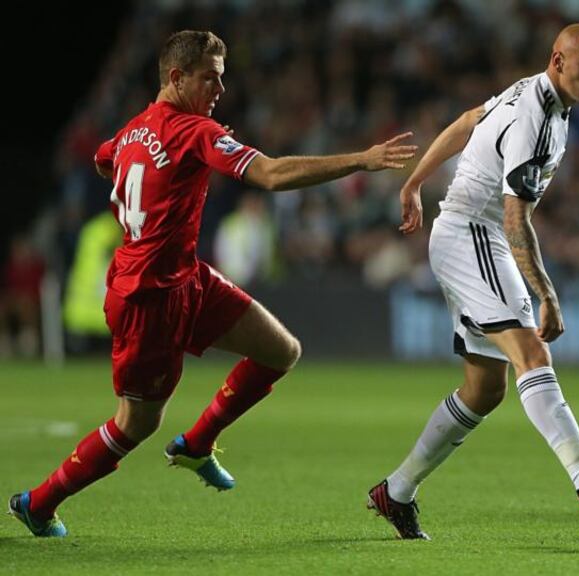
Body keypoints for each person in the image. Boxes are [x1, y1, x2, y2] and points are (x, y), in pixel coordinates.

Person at [8, 30, 417, 537]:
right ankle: (39, 503)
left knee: (280, 350)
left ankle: (198, 443)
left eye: (222, 79)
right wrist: (362, 159)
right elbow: (268, 174)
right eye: (211, 79)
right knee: (135, 425)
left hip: (187, 279)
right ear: (177, 78)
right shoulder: (193, 132)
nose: (220, 91)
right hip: (148, 299)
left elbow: (103, 156)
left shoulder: (132, 130)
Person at [367, 23, 579, 540]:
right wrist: (546, 294)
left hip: (464, 233)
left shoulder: (528, 88)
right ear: (558, 60)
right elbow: (512, 218)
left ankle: (396, 491)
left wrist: (414, 181)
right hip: (473, 232)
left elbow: (465, 122)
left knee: (484, 389)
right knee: (532, 355)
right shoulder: (537, 119)